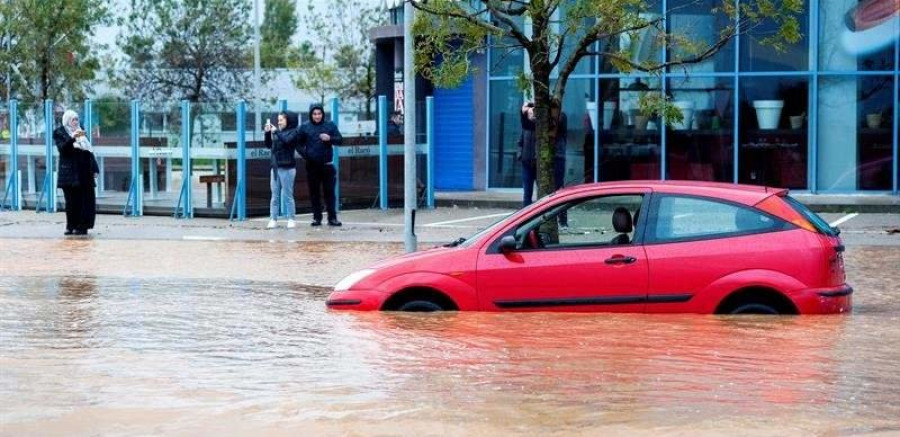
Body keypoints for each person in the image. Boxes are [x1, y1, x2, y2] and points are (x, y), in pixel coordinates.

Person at [54, 110, 98, 236]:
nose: (75, 122)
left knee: (84, 201)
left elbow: (89, 150)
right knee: (71, 201)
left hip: (84, 172)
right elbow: (63, 149)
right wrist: (73, 138)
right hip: (69, 173)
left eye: (77, 119)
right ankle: (70, 225)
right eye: (73, 119)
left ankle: (82, 226)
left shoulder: (81, 131)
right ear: (67, 120)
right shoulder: (59, 132)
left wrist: (95, 169)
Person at [298, 103, 343, 227]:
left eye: (319, 114)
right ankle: (317, 218)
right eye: (314, 114)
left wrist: (330, 138)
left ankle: (332, 218)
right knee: (314, 193)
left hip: (327, 165)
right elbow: (298, 143)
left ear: (322, 114)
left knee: (330, 192)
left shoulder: (330, 125)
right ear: (311, 114)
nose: (317, 116)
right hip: (312, 166)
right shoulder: (304, 127)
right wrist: (306, 154)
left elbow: (340, 140)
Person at [264, 111, 300, 229]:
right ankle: (273, 219)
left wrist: (276, 132)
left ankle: (291, 218)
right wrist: (267, 133)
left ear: (288, 120)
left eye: (281, 120)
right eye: (278, 120)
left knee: (288, 195)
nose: (279, 122)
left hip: (288, 167)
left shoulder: (294, 132)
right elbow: (269, 145)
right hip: (275, 167)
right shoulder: (277, 132)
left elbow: (287, 141)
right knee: (274, 195)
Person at [551, 101, 569, 228]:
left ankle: (562, 219)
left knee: (559, 189)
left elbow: (556, 128)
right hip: (554, 156)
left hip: (558, 156)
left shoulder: (561, 117)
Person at [518, 102, 537, 207]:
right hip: (526, 163)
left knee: (543, 193)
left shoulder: (540, 127)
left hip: (537, 164)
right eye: (530, 113)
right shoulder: (525, 128)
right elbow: (520, 143)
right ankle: (525, 218)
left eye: (534, 113)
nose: (532, 115)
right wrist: (520, 155)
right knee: (527, 194)